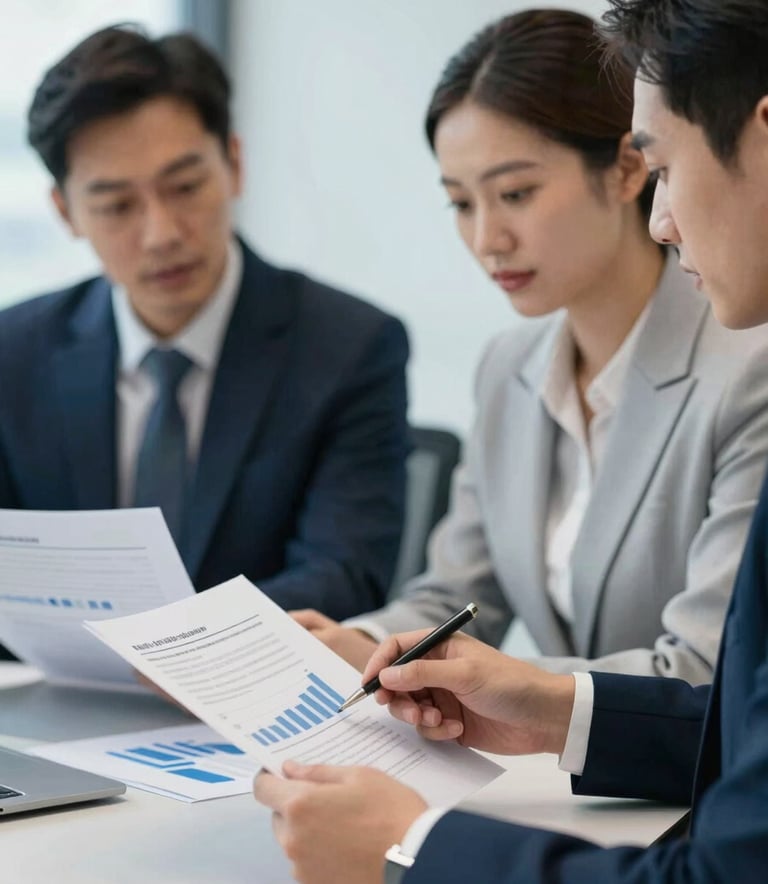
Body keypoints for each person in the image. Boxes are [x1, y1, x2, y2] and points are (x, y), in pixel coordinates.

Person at [253, 1, 768, 882]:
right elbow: (456, 592)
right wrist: (370, 647)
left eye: (517, 193)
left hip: (664, 820)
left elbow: (708, 682)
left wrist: (412, 839)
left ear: (623, 168)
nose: (487, 238)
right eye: (461, 203)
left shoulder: (746, 363)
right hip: (592, 798)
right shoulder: (508, 366)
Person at [0, 25, 410, 662]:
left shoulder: (350, 347)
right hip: (57, 702)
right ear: (65, 212)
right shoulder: (13, 352)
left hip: (252, 707)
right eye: (116, 206)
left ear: (235, 165)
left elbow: (345, 572)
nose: (162, 233)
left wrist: (177, 650)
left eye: (186, 187)